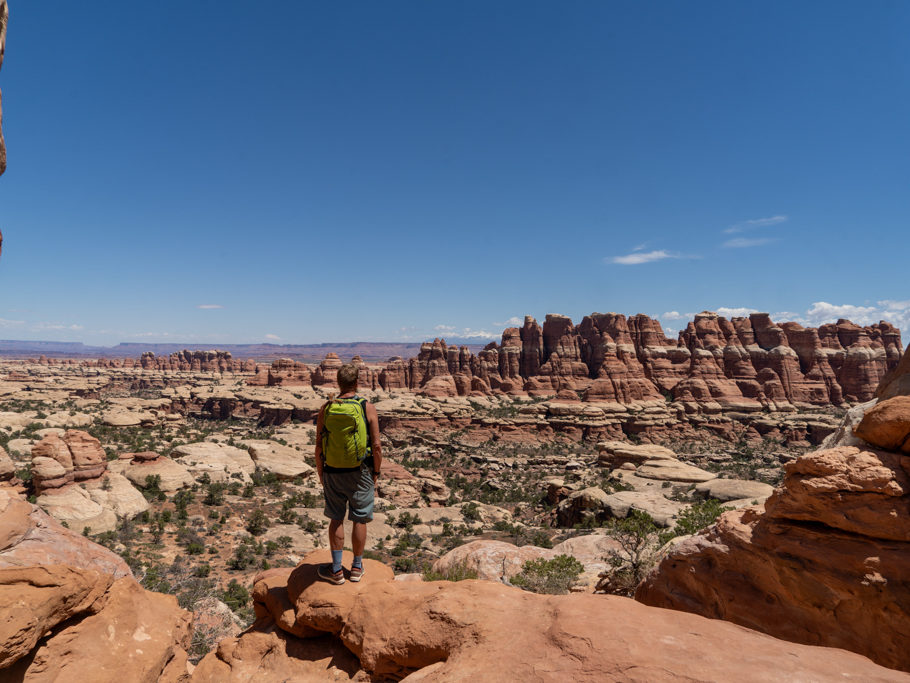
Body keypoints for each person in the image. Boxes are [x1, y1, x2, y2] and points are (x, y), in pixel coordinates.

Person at [314, 363, 382, 584]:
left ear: (338, 382)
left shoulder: (327, 407)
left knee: (336, 518)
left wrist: (321, 472)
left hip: (332, 470)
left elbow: (318, 446)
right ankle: (356, 568)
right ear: (356, 382)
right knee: (359, 519)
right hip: (360, 470)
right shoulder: (366, 407)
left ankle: (335, 571)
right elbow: (377, 445)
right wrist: (376, 472)